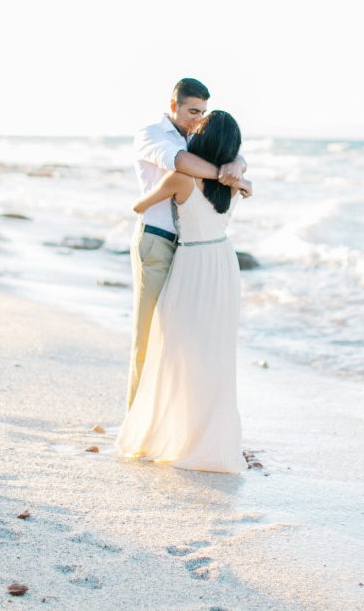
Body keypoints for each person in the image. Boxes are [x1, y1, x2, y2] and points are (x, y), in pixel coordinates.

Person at [116, 110, 252, 473]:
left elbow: (139, 205)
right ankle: (210, 438)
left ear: (201, 142)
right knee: (214, 353)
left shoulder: (180, 179)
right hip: (223, 263)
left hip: (191, 263)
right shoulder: (237, 184)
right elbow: (245, 182)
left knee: (171, 348)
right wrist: (233, 170)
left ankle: (166, 430)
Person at [126, 78, 247, 410]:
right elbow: (181, 163)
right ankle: (135, 420)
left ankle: (172, 420)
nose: (198, 119)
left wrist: (238, 164)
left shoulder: (198, 135)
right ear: (173, 106)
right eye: (193, 111)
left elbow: (231, 151)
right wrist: (231, 173)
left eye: (203, 112)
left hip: (189, 250)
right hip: (157, 241)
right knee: (147, 337)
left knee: (180, 340)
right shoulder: (151, 135)